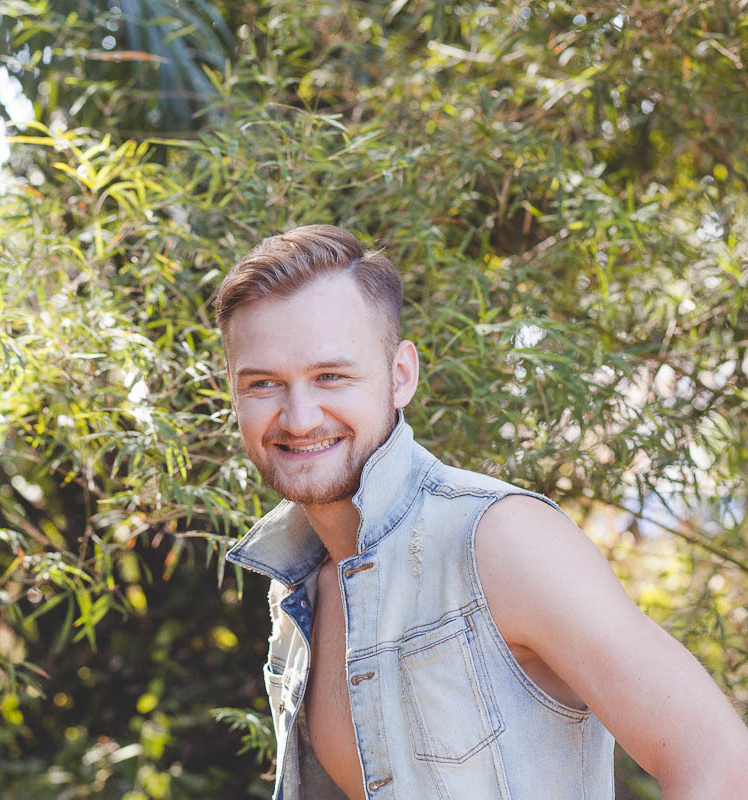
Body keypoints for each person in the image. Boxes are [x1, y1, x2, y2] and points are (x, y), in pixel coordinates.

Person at [217, 224, 748, 799]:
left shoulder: (501, 540)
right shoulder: (298, 592)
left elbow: (719, 767)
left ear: (400, 377)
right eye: (264, 383)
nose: (298, 417)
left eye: (331, 376)